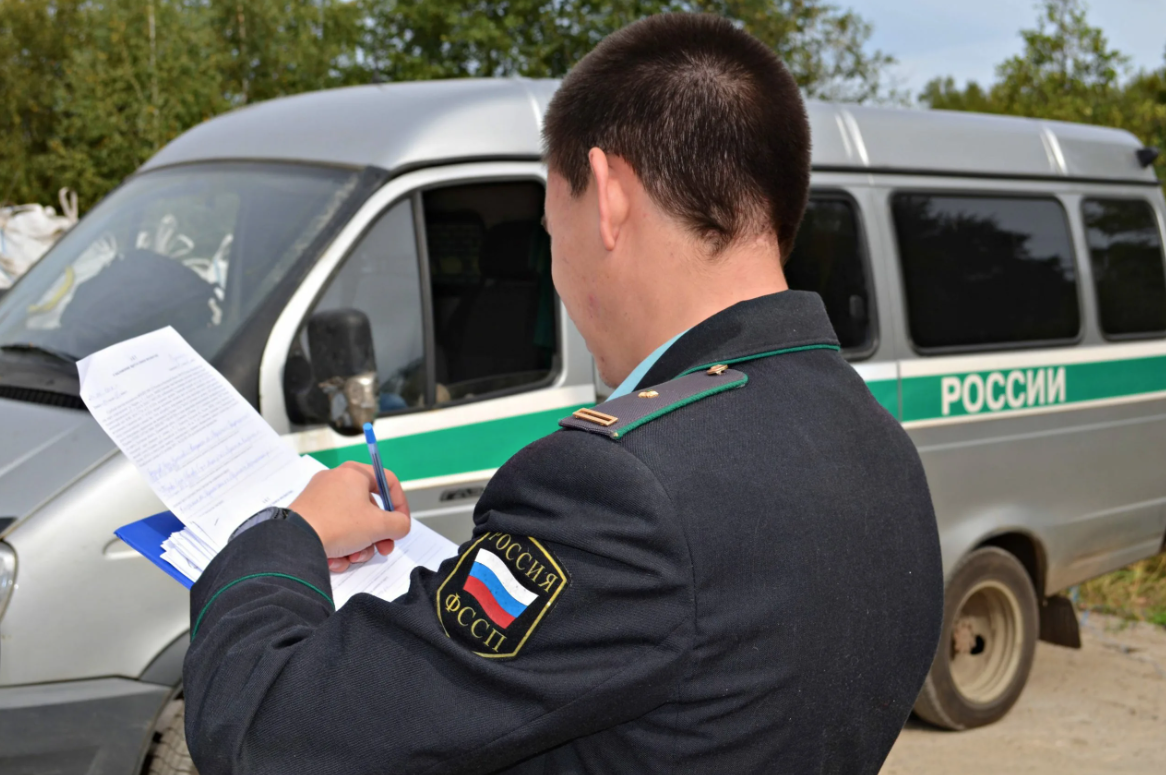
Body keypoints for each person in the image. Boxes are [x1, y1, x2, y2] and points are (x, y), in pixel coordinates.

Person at [183, 13, 943, 774]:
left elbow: (264, 731)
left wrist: (282, 534)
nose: (557, 267)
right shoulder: (881, 446)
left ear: (607, 196)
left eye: (552, 228)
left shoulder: (622, 487)